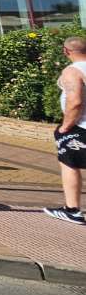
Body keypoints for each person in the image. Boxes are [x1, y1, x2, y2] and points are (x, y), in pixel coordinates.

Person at [45, 36, 86, 225]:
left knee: (69, 164)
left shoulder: (72, 71)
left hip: (80, 126)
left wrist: (66, 126)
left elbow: (75, 101)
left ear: (66, 51)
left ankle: (72, 210)